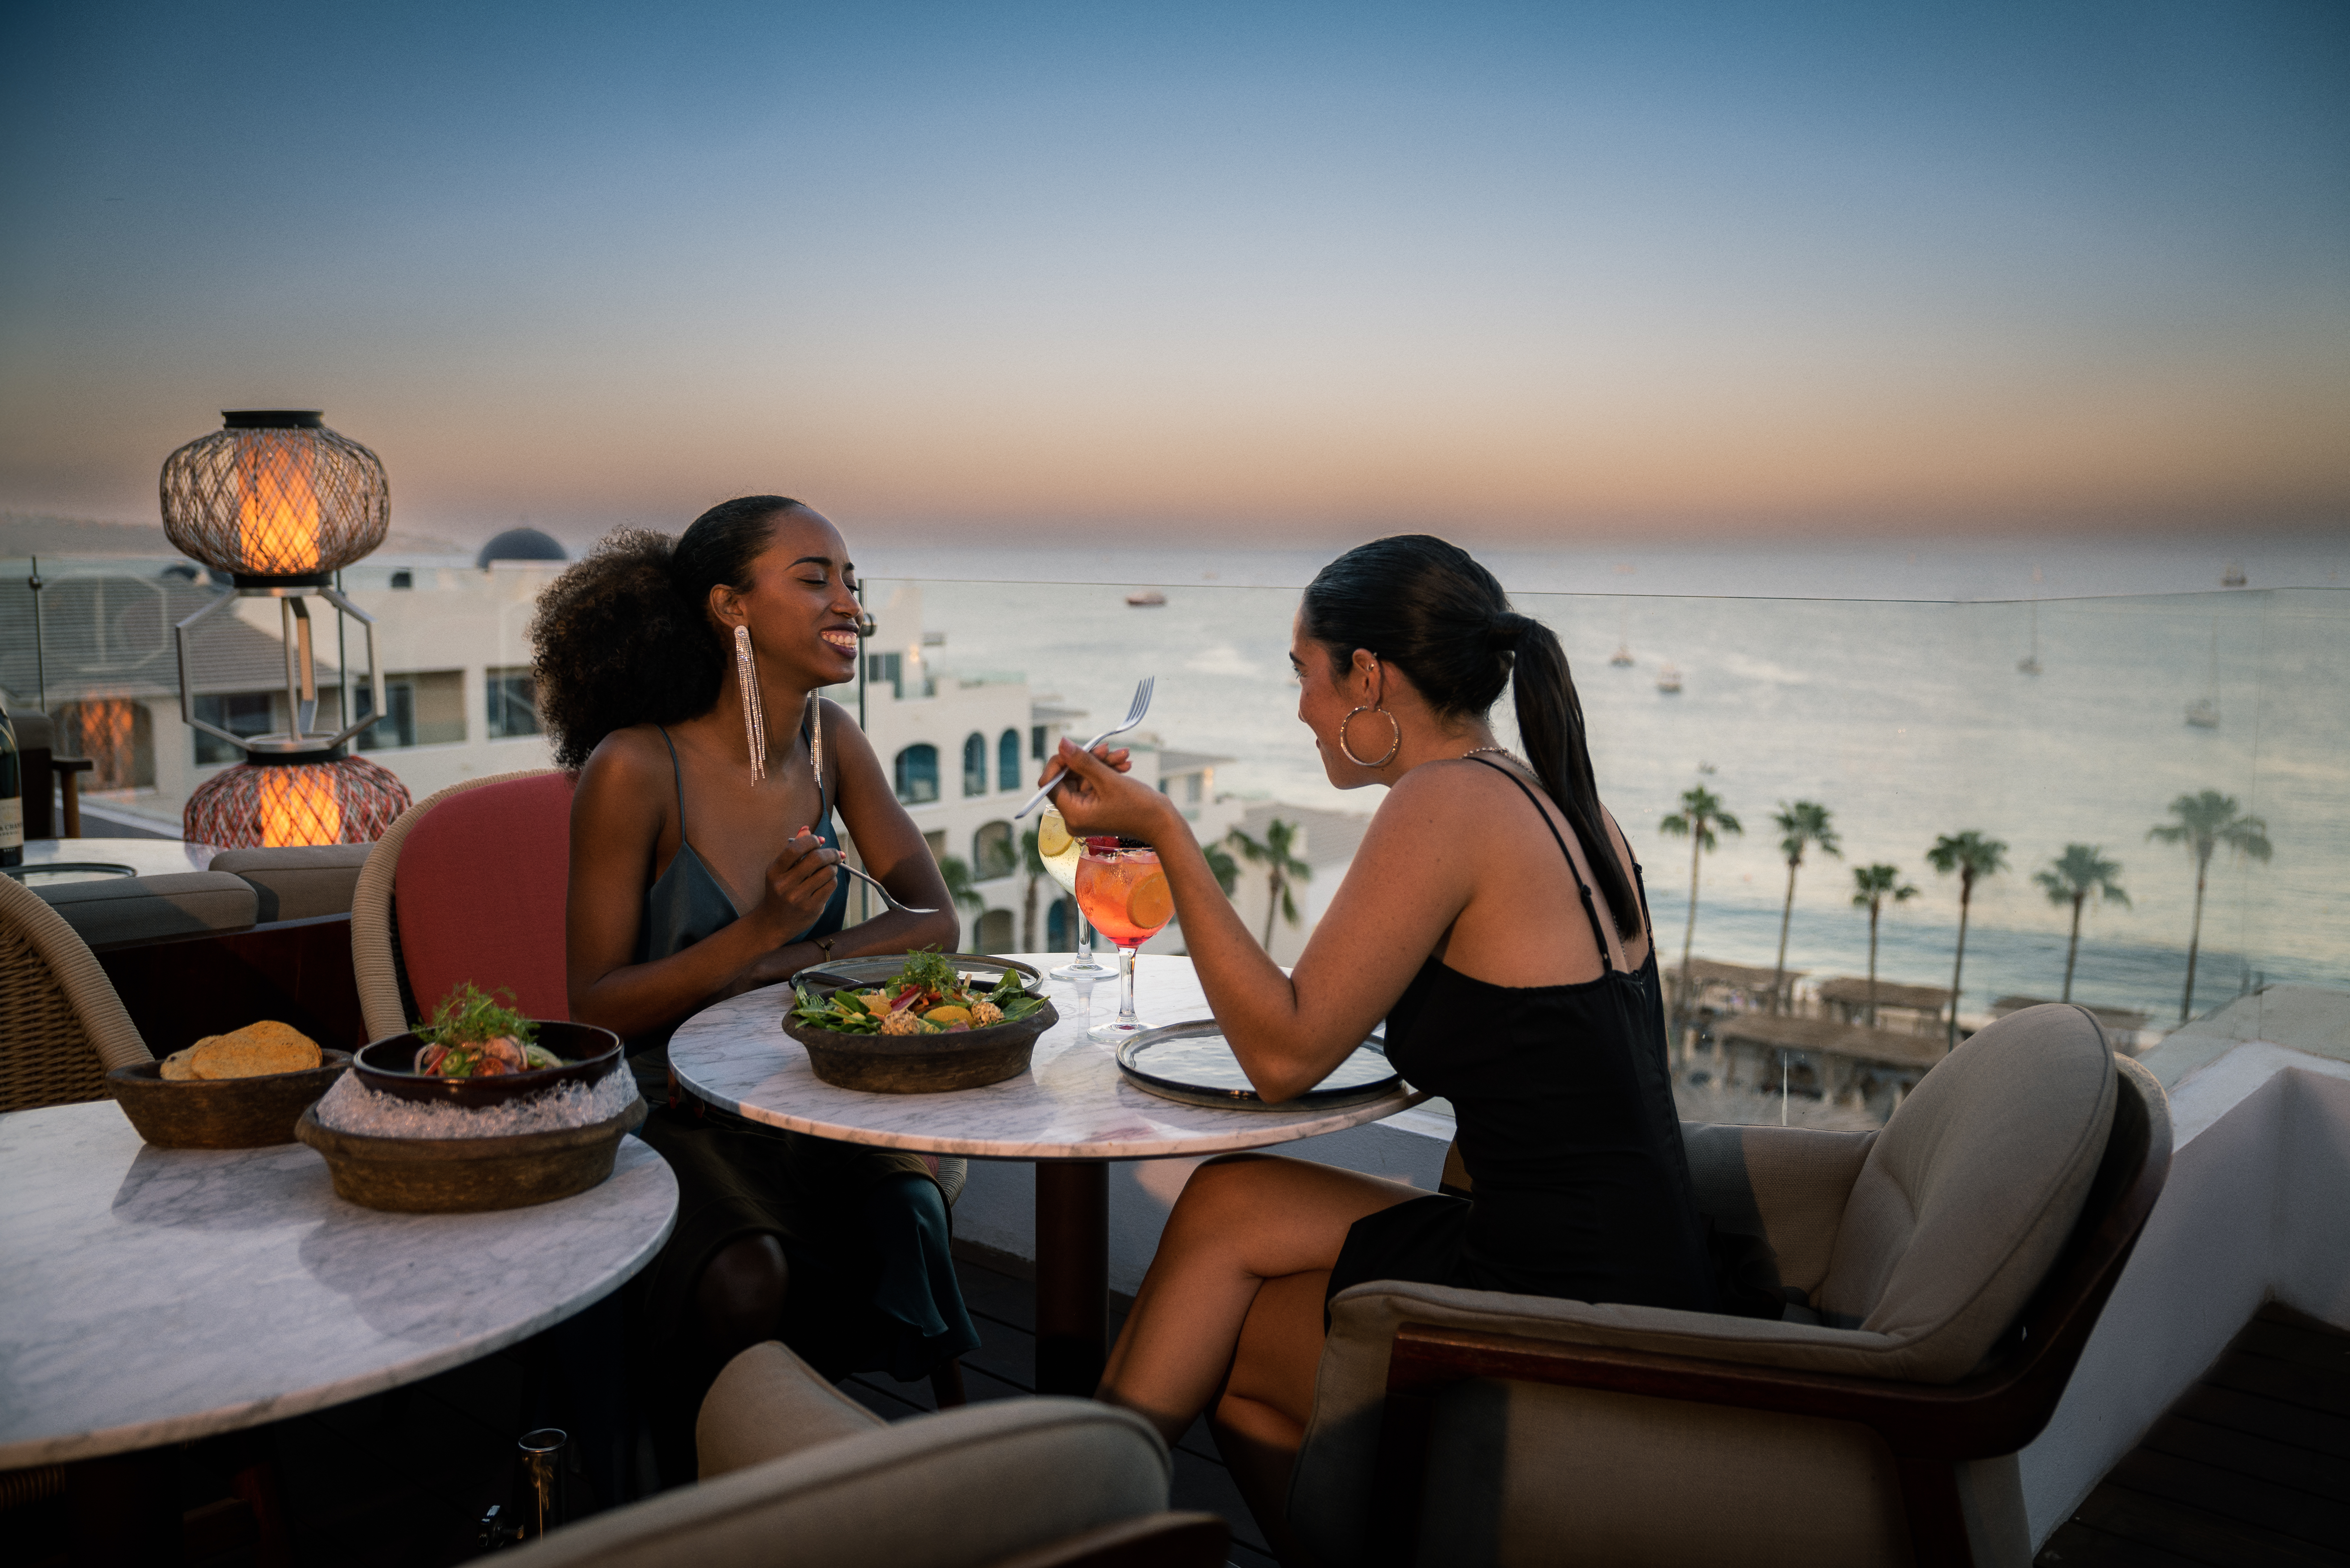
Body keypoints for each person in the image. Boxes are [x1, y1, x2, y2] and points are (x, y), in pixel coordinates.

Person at [1043, 535, 1735, 1561]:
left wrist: (1170, 841)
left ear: (1367, 676)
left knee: (1236, 1338)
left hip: (1568, 1300)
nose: (1301, 710)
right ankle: (1071, 1520)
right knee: (1228, 1201)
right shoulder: (1555, 796)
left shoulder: (1443, 805)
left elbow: (1283, 1059)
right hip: (1633, 1254)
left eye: (1304, 675)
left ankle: (1066, 1530)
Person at [533, 496, 980, 1481]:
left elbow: (935, 923)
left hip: (802, 1094)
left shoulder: (831, 744)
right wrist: (765, 930)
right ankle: (700, 1499)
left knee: (904, 1216)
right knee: (747, 1273)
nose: (849, 604)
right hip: (664, 1108)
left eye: (851, 582)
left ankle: (829, 1472)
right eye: (814, 578)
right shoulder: (635, 767)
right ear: (731, 606)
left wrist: (783, 960)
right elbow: (596, 1008)